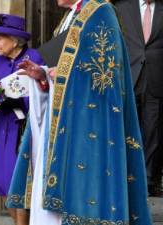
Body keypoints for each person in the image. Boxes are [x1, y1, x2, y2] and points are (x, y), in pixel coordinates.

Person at [15, 0, 153, 224]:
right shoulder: (68, 19)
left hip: (89, 124)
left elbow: (104, 78)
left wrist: (61, 74)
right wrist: (42, 75)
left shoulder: (101, 13)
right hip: (63, 120)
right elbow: (66, 67)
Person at [0, 14, 46, 225]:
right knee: (3, 187)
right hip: (3, 128)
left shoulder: (33, 58)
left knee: (19, 186)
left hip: (23, 131)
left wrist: (21, 103)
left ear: (14, 39)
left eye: (0, 38)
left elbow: (44, 94)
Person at [114, 0, 163, 197]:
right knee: (126, 127)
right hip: (128, 75)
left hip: (157, 78)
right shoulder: (122, 8)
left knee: (153, 130)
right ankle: (125, 177)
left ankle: (149, 180)